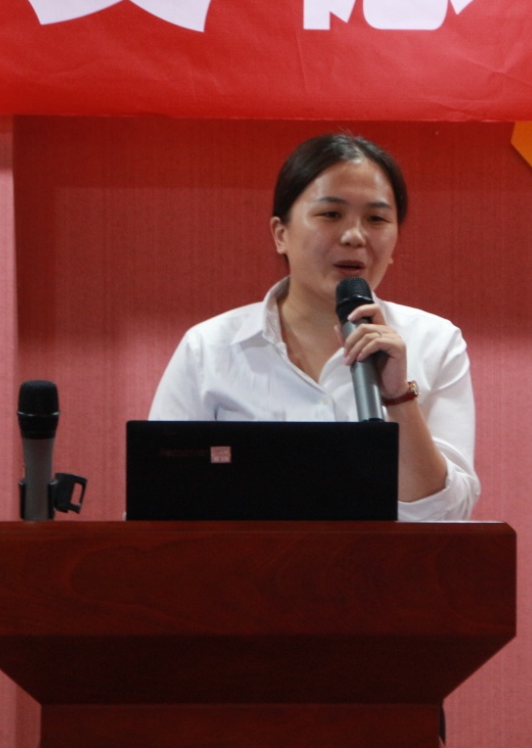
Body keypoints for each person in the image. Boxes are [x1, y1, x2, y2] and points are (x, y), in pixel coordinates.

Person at [149, 133, 479, 521]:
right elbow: (157, 504)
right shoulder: (208, 348)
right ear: (281, 234)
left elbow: (447, 516)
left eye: (376, 219)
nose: (354, 236)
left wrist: (397, 399)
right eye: (331, 214)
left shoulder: (435, 342)